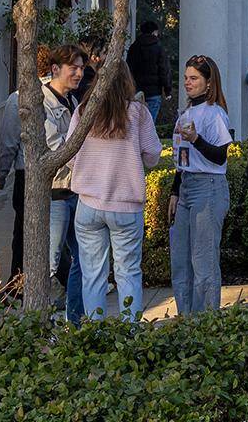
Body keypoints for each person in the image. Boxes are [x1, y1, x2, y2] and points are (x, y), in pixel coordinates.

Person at [68, 57, 161, 320]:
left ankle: (94, 333)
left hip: (88, 202)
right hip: (125, 204)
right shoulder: (137, 112)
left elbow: (71, 154)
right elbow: (153, 154)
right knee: (128, 272)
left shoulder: (84, 110)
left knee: (92, 274)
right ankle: (130, 335)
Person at [170, 53, 233, 315]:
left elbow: (220, 156)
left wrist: (196, 138)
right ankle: (186, 321)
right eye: (185, 78)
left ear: (209, 83)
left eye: (194, 78)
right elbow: (181, 158)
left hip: (208, 186)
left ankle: (205, 323)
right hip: (186, 185)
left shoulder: (214, 113)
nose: (187, 82)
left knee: (203, 261)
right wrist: (175, 191)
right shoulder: (186, 112)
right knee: (181, 261)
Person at [0, 44, 53, 285]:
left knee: (23, 232)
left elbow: (8, 143)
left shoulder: (18, 99)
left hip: (27, 171)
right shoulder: (58, 96)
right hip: (56, 170)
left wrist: (0, 176)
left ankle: (19, 282)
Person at [42, 44, 87, 320]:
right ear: (56, 69)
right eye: (74, 67)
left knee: (82, 258)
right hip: (55, 192)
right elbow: (57, 147)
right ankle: (39, 324)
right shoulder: (41, 102)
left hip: (75, 189)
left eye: (82, 67)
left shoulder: (72, 101)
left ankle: (76, 319)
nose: (80, 73)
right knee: (49, 260)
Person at [126, 19, 172, 123]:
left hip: (136, 90)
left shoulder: (134, 47)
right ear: (154, 32)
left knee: (135, 123)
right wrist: (167, 90)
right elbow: (164, 70)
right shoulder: (158, 48)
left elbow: (128, 69)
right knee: (150, 124)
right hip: (154, 91)